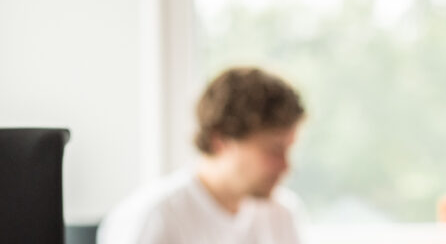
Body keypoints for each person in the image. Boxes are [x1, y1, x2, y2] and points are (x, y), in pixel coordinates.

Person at [98, 67, 308, 244]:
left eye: (289, 148)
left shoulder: (281, 214)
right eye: (273, 149)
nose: (285, 166)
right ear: (220, 140)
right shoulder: (153, 218)